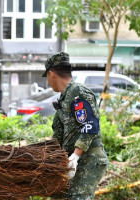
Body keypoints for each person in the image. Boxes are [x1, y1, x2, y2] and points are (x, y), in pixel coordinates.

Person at [42, 52, 109, 199]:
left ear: (51, 74)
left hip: (87, 160)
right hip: (71, 162)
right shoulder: (64, 98)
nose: (47, 81)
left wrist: (75, 157)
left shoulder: (78, 92)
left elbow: (90, 126)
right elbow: (59, 136)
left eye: (46, 76)